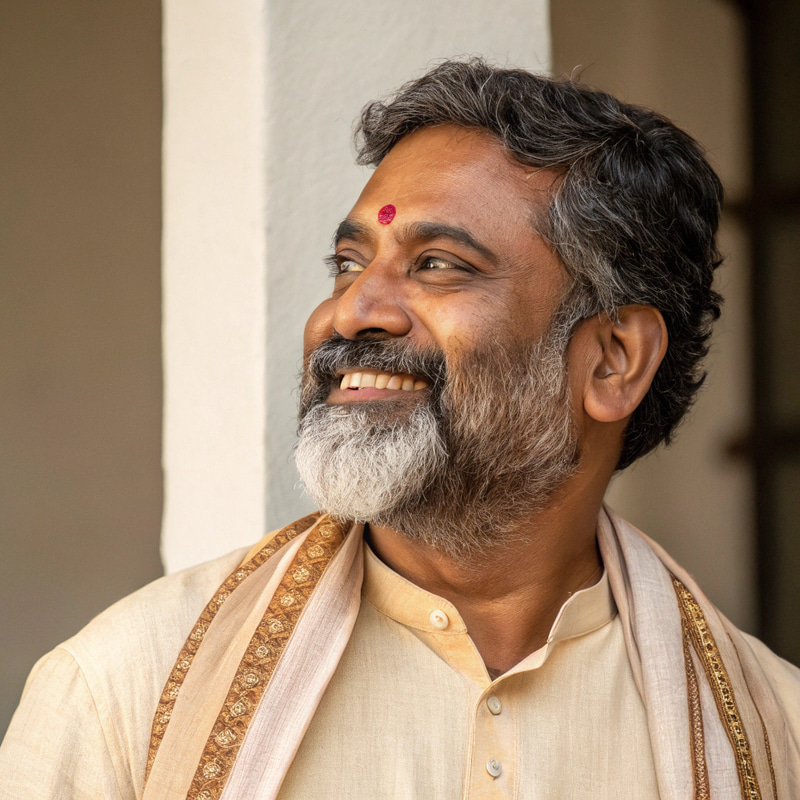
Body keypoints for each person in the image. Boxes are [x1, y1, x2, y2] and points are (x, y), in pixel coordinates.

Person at [1, 58, 798, 800]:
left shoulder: (782, 737)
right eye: (349, 263)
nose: (351, 311)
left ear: (614, 360)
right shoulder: (123, 693)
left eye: (439, 264)